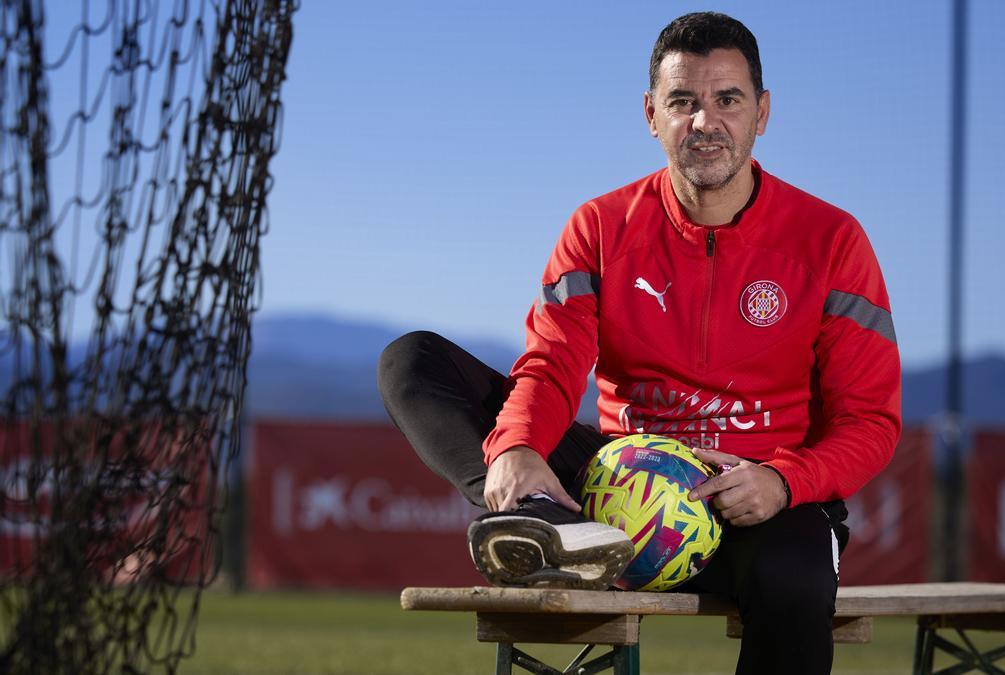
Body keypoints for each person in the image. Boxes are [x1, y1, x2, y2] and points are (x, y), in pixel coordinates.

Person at [377, 12, 901, 674]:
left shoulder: (832, 240)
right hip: (614, 493)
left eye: (727, 100)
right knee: (413, 359)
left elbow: (871, 422)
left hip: (757, 496)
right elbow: (552, 364)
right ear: (652, 114)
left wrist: (781, 478)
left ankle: (569, 524)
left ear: (762, 113)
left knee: (794, 587)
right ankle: (543, 521)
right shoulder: (599, 225)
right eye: (683, 102)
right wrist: (516, 448)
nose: (704, 121)